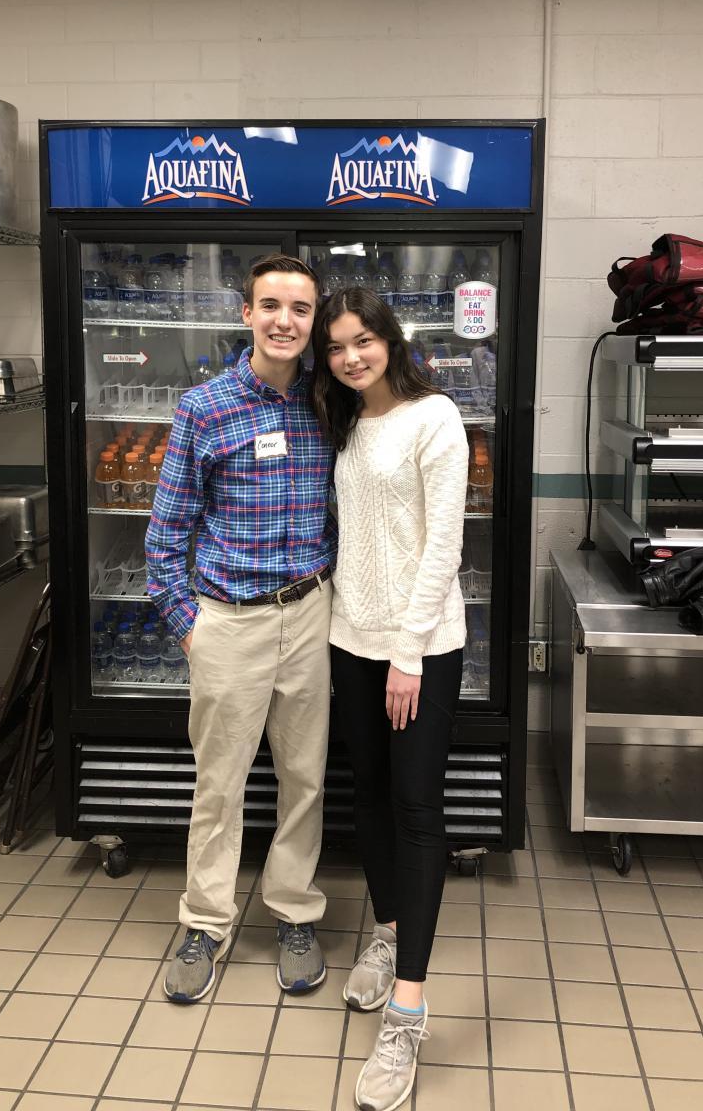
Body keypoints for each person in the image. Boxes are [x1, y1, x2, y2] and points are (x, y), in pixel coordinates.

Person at [145, 253, 337, 1003]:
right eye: (272, 306)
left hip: (311, 613)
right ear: (247, 314)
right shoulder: (205, 407)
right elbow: (165, 537)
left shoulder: (329, 402)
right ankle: (205, 921)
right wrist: (192, 628)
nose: (285, 321)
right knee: (219, 785)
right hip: (229, 621)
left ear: (313, 319)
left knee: (305, 779)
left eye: (300, 308)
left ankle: (293, 911)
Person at [311, 287, 469, 1111]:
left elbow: (444, 542)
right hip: (352, 638)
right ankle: (390, 928)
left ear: (389, 340)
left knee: (415, 806)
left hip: (421, 649)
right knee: (366, 793)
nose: (350, 357)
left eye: (362, 341)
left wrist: (408, 653)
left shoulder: (434, 417)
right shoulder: (345, 420)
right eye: (336, 346)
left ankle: (408, 1009)